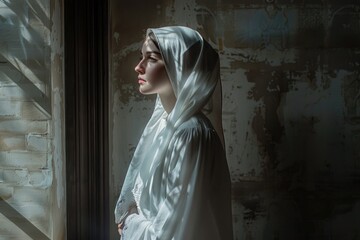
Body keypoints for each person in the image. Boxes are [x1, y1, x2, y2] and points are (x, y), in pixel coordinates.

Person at [114, 26, 233, 240]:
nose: (138, 67)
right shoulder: (164, 126)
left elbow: (169, 233)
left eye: (151, 58)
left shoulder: (192, 135)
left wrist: (130, 222)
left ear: (180, 67)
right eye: (141, 57)